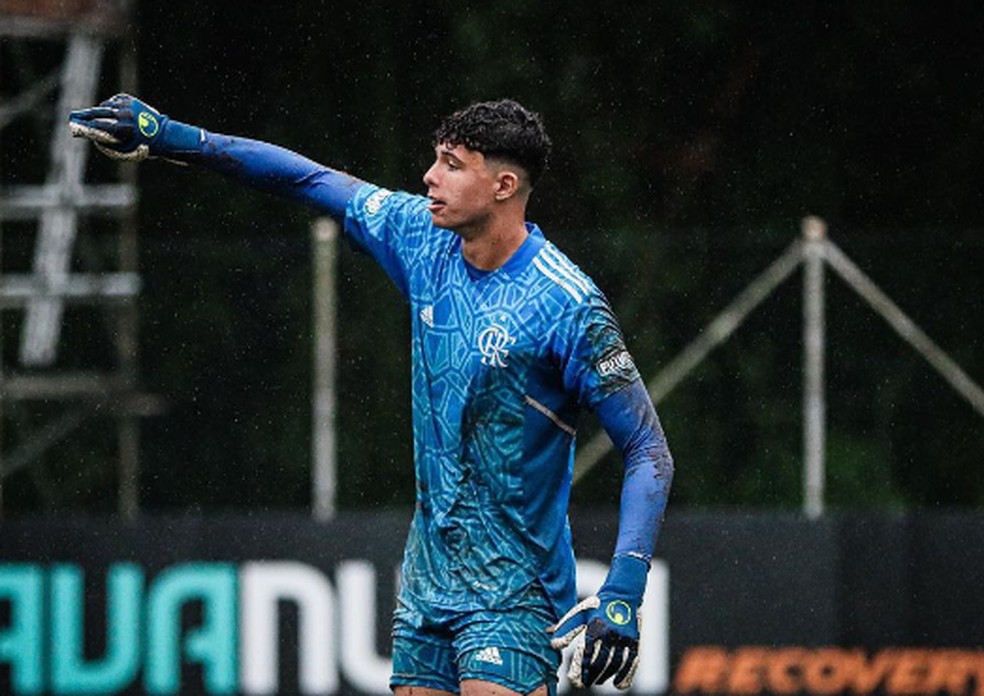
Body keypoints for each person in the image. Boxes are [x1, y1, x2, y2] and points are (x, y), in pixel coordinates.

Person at [69, 94, 674, 696]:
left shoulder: (568, 305)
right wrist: (174, 136)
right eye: (436, 159)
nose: (429, 177)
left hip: (516, 593)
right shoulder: (420, 236)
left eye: (453, 164)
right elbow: (309, 179)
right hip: (428, 585)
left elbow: (647, 447)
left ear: (503, 185)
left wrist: (622, 591)